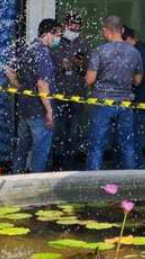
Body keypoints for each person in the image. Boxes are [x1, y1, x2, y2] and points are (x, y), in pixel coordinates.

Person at [85, 15, 143, 171]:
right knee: (127, 146)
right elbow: (137, 80)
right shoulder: (134, 52)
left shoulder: (99, 51)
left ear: (105, 30)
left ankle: (93, 181)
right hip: (125, 103)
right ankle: (129, 180)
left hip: (102, 103)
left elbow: (90, 80)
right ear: (122, 30)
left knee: (97, 146)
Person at [6, 19, 61, 173]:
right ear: (49, 34)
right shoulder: (43, 54)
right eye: (57, 35)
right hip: (39, 112)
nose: (58, 39)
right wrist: (49, 111)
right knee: (40, 151)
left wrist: (19, 86)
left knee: (22, 148)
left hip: (25, 110)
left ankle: (15, 178)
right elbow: (42, 85)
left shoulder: (28, 49)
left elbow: (10, 72)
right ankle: (37, 182)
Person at [49, 13, 91, 171]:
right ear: (65, 25)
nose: (74, 28)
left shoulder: (85, 44)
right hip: (58, 94)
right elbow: (47, 69)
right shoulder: (56, 43)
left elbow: (90, 70)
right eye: (72, 24)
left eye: (77, 25)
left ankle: (70, 165)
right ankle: (55, 163)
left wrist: (81, 65)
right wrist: (61, 66)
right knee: (57, 131)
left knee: (73, 132)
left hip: (77, 95)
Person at [123, 25, 145, 169]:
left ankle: (135, 170)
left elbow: (140, 77)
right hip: (136, 101)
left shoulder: (139, 53)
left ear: (128, 39)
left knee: (133, 139)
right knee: (131, 139)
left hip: (136, 101)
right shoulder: (139, 51)